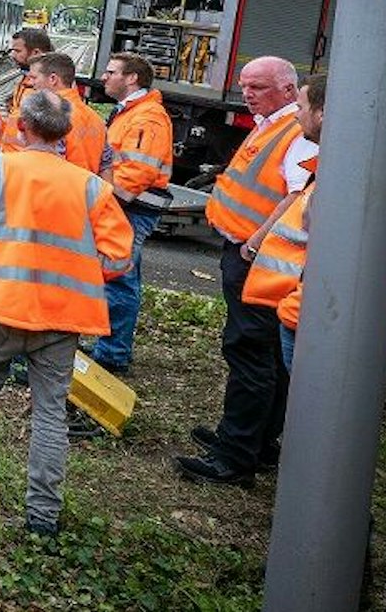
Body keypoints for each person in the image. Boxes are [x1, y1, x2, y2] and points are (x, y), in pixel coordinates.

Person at [0, 90, 134, 538]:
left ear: (21, 127)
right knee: (50, 411)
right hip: (61, 317)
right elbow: (119, 260)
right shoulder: (92, 187)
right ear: (65, 134)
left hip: (0, 302)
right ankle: (42, 514)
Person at [179, 56, 316, 487]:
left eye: (257, 86)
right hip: (247, 253)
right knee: (265, 355)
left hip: (256, 259)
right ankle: (253, 441)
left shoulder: (296, 134)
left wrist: (254, 243)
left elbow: (298, 199)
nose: (246, 93)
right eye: (244, 85)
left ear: (289, 90)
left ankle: (236, 456)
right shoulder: (273, 124)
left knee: (249, 352)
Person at [88, 53, 173, 376]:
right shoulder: (133, 112)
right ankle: (111, 347)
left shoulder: (147, 118)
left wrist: (104, 205)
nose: (104, 77)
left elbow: (136, 173)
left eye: (111, 72)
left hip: (130, 207)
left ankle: (112, 356)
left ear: (132, 78)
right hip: (126, 206)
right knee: (124, 278)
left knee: (119, 279)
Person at [238, 75, 326, 374]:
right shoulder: (327, 167)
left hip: (305, 312)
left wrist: (254, 242)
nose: (296, 114)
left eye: (301, 106)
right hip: (296, 308)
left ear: (322, 113)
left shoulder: (338, 176)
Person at [24, 52, 108, 174]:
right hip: (84, 188)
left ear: (53, 79)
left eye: (34, 78)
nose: (31, 83)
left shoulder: (49, 117)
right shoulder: (95, 118)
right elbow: (105, 164)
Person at [0, 27, 55, 151]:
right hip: (13, 158)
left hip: (23, 160)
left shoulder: (47, 86)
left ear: (36, 53)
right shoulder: (28, 78)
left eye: (18, 51)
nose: (12, 55)